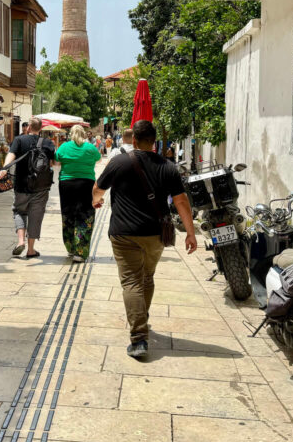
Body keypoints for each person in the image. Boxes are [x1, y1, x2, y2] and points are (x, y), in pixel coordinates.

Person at [92, 120, 197, 359]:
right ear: (155, 142)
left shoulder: (118, 162)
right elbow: (181, 201)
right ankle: (141, 315)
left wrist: (94, 200)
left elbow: (98, 188)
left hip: (124, 233)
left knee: (131, 281)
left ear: (134, 141)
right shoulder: (168, 166)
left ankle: (139, 338)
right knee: (146, 276)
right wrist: (190, 233)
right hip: (155, 234)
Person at [0, 117, 56, 259]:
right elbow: (52, 163)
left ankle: (20, 241)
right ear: (40, 129)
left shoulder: (19, 140)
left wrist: (5, 168)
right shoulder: (48, 143)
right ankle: (31, 250)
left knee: (19, 211)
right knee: (36, 216)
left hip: (22, 185)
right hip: (41, 187)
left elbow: (11, 155)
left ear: (28, 127)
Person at [55, 124, 102, 262]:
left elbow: (57, 160)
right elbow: (99, 159)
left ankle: (70, 247)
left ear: (71, 134)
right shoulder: (89, 147)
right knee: (85, 215)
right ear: (84, 134)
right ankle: (80, 252)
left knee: (68, 214)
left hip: (66, 184)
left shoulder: (64, 146)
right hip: (86, 184)